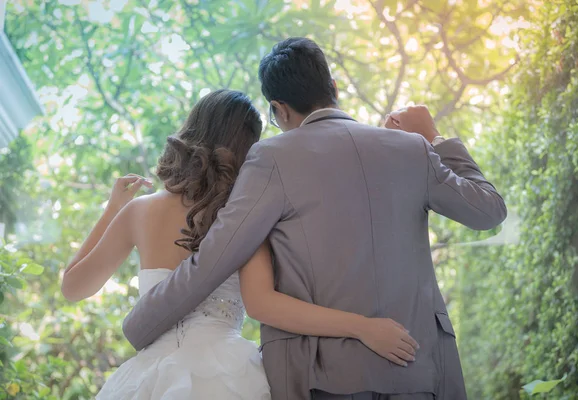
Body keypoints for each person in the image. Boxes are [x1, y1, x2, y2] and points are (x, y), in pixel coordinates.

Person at [121, 38, 507, 400]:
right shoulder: (412, 149)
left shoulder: (272, 158)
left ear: (279, 109)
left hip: (319, 376)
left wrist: (140, 323)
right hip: (422, 368)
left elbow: (216, 256)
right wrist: (435, 138)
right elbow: (488, 210)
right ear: (334, 86)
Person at [62, 89, 418, 399]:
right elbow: (264, 304)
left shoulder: (139, 212)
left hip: (148, 381)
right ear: (247, 148)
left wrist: (112, 210)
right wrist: (362, 326)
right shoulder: (243, 218)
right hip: (229, 377)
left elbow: (73, 286)